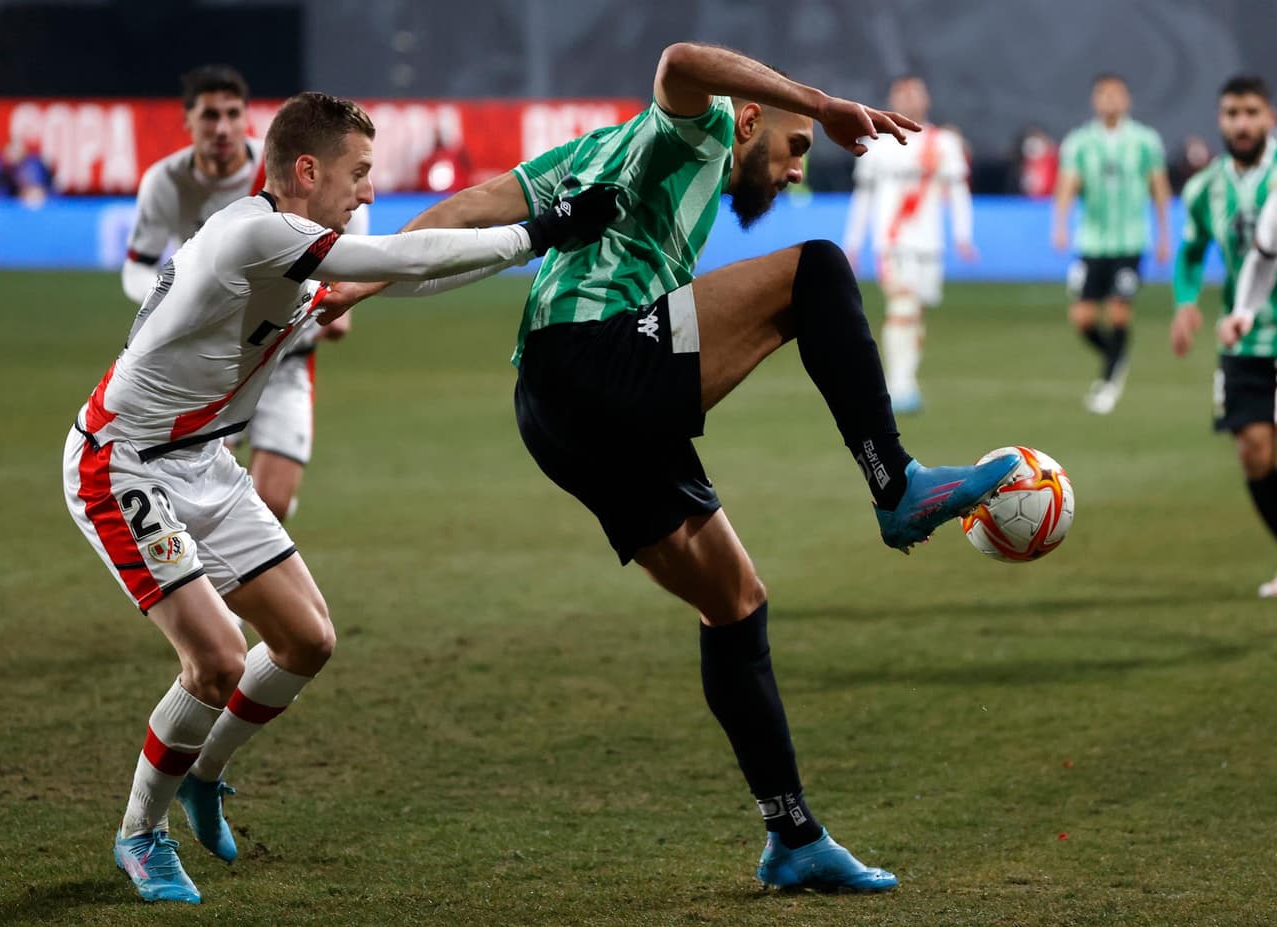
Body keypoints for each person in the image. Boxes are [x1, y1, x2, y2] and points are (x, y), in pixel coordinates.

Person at [318, 42, 1018, 893]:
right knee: (818, 271)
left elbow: (473, 205)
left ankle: (792, 835)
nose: (799, 169)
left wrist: (364, 276)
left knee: (735, 602)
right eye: (797, 147)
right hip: (595, 358)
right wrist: (822, 100)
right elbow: (683, 58)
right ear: (750, 118)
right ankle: (895, 483)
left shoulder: (594, 151)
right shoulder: (697, 131)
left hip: (552, 410)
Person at [63, 90, 617, 905]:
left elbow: (399, 280)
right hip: (124, 463)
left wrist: (526, 248)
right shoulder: (252, 232)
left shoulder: (288, 253)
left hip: (204, 461)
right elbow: (405, 260)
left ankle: (203, 776)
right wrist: (542, 228)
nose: (367, 189)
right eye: (358, 173)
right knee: (215, 661)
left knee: (306, 641)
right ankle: (138, 834)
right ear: (306, 169)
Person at [122, 65, 367, 523]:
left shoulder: (279, 173)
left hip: (283, 358)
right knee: (192, 504)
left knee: (272, 505)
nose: (223, 128)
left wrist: (339, 291)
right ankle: (196, 589)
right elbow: (139, 264)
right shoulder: (166, 181)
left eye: (233, 114)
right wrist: (169, 303)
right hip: (214, 360)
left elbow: (341, 216)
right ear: (187, 121)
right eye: (210, 116)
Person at [1171, 75, 1277, 598]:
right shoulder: (1203, 188)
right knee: (1256, 453)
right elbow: (1190, 253)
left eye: (1251, 112)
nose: (1241, 123)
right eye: (1232, 113)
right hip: (1245, 340)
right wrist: (1186, 302)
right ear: (1220, 119)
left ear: (1269, 117)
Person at [842, 75, 976, 414]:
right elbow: (863, 196)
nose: (908, 99)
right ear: (891, 99)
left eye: (914, 93)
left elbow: (958, 191)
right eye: (901, 94)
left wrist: (963, 235)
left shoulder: (942, 142)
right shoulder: (875, 143)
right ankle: (897, 385)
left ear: (926, 99)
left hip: (929, 243)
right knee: (901, 307)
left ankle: (907, 380)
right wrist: (853, 242)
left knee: (915, 313)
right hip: (891, 240)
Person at [1053, 74, 1171, 415]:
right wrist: (1059, 224)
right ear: (1094, 100)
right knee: (1083, 318)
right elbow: (1068, 184)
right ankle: (1116, 355)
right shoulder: (1079, 142)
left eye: (1116, 94)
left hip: (1130, 241)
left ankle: (1107, 381)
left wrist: (1164, 235)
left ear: (1127, 99)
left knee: (1119, 310)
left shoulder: (1145, 140)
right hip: (1092, 242)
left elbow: (1159, 188)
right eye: (1103, 94)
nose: (1109, 100)